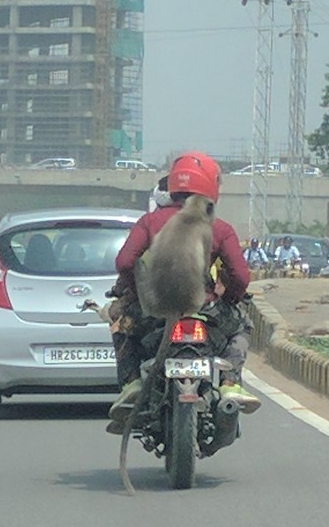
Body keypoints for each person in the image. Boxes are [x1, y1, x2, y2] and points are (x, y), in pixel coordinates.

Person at [106, 151, 260, 433]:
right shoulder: (219, 228)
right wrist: (230, 297)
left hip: (154, 311)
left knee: (119, 323)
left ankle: (131, 383)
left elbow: (125, 262)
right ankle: (230, 383)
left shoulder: (150, 222)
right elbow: (240, 276)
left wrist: (137, 292)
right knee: (242, 325)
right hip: (206, 312)